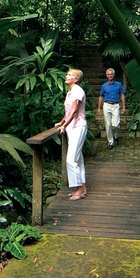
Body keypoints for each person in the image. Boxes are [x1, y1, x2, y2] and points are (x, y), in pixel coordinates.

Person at [55, 68, 87, 201]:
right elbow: (68, 112)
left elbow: (74, 112)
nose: (67, 76)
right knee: (78, 159)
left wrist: (64, 126)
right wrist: (61, 122)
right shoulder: (71, 92)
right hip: (72, 127)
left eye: (70, 75)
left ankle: (78, 189)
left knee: (71, 159)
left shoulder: (77, 91)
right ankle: (83, 188)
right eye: (67, 74)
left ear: (76, 79)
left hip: (77, 127)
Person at [96, 68, 126, 149]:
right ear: (106, 75)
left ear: (114, 75)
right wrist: (98, 108)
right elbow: (101, 96)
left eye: (111, 74)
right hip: (106, 105)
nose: (110, 75)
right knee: (108, 124)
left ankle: (116, 136)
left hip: (116, 105)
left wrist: (123, 107)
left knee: (116, 124)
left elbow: (122, 95)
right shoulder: (104, 86)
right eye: (108, 74)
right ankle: (111, 141)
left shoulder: (119, 84)